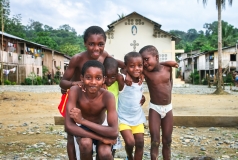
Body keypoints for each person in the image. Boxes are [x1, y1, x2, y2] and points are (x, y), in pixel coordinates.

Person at [58, 26, 124, 159]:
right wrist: (73, 84)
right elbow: (63, 82)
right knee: (72, 137)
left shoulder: (104, 55)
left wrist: (132, 73)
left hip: (95, 99)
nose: (96, 49)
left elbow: (116, 65)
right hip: (78, 98)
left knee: (104, 149)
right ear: (85, 44)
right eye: (91, 44)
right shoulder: (77, 59)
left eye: (100, 45)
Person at [65, 60, 118, 160]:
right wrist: (100, 138)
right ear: (82, 78)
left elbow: (114, 131)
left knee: (105, 153)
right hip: (83, 128)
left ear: (103, 79)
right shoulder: (75, 91)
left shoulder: (108, 96)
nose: (93, 82)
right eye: (88, 77)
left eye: (98, 78)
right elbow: (69, 126)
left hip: (102, 127)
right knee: (85, 143)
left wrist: (82, 120)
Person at [139, 45, 177, 160]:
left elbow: (170, 84)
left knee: (168, 140)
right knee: (155, 140)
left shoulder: (167, 68)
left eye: (147, 59)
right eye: (143, 61)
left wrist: (167, 62)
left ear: (156, 57)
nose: (145, 63)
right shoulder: (145, 72)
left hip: (168, 108)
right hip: (155, 108)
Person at [117, 52, 146, 160]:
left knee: (140, 144)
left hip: (137, 118)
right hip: (123, 119)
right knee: (130, 142)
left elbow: (137, 93)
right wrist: (126, 72)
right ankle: (130, 156)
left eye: (140, 65)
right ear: (125, 66)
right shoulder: (122, 79)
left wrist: (143, 97)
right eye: (132, 66)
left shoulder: (141, 78)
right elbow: (112, 63)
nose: (136, 69)